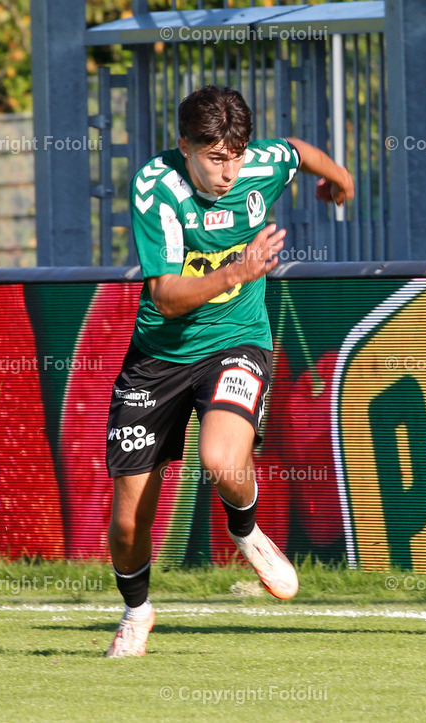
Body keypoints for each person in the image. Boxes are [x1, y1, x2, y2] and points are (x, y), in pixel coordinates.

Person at [104, 85, 354, 657]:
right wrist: (234, 271)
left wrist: (338, 177)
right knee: (126, 522)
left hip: (237, 341)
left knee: (221, 459)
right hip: (159, 357)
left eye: (236, 155)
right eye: (216, 158)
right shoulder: (156, 187)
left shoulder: (257, 166)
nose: (229, 172)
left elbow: (292, 149)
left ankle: (246, 531)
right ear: (184, 145)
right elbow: (166, 296)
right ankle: (137, 613)